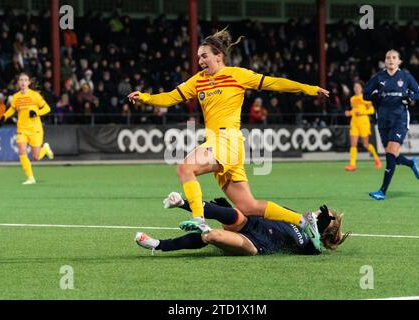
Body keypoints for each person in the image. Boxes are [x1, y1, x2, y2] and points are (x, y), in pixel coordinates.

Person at [128, 28, 329, 252]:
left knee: (185, 168)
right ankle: (303, 220)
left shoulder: (237, 75)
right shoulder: (198, 81)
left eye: (204, 56)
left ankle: (198, 219)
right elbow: (170, 97)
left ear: (218, 55)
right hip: (220, 144)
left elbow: (274, 83)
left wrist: (308, 89)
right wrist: (145, 97)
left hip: (228, 140)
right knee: (248, 206)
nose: (200, 61)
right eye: (198, 57)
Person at [135, 192, 349, 256]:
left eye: (321, 217)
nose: (314, 214)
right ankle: (183, 203)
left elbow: (317, 247)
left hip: (254, 245)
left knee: (211, 236)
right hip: (250, 224)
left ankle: (158, 244)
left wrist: (321, 228)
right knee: (234, 215)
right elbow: (263, 210)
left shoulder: (311, 245)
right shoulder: (296, 216)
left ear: (322, 228)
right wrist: (229, 206)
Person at [363, 50, 419, 200]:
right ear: (385, 60)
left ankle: (382, 191)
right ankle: (411, 163)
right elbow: (365, 94)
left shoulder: (405, 77)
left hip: (400, 119)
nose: (390, 60)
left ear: (399, 62)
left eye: (394, 57)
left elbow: (418, 94)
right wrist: (373, 96)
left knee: (390, 155)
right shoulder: (379, 77)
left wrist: (409, 98)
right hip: (383, 119)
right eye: (388, 57)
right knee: (393, 156)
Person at [0, 73, 54, 184]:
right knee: (22, 151)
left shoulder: (35, 95)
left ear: (28, 82)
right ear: (18, 83)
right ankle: (30, 178)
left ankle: (45, 149)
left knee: (36, 157)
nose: (23, 82)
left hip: (35, 129)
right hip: (22, 129)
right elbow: (12, 109)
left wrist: (37, 112)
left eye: (25, 80)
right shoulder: (16, 96)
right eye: (21, 80)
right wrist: (4, 116)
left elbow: (47, 108)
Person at [344, 81, 381, 171]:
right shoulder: (352, 99)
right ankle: (352, 165)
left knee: (365, 144)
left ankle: (376, 157)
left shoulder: (365, 98)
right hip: (354, 122)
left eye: (358, 87)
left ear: (361, 88)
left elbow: (372, 110)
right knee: (353, 144)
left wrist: (362, 112)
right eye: (355, 87)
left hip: (363, 122)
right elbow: (354, 110)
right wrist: (349, 113)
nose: (356, 88)